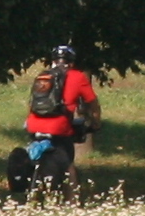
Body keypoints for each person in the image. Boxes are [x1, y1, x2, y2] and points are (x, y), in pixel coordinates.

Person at [17, 43, 101, 183]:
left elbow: (32, 102)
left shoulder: (42, 77)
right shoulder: (78, 77)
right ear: (72, 62)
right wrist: (96, 122)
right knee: (68, 166)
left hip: (34, 125)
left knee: (34, 157)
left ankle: (33, 193)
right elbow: (93, 103)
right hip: (59, 128)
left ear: (53, 61)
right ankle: (71, 201)